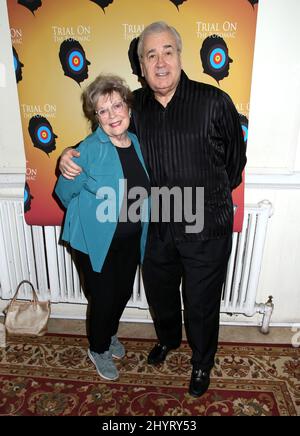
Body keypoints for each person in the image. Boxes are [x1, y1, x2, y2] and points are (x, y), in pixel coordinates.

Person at [58, 21, 246, 397]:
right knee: (160, 294)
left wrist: (205, 199)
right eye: (150, 55)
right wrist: (66, 156)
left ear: (180, 56)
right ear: (140, 67)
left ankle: (201, 363)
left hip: (204, 224)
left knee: (201, 302)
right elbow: (105, 139)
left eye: (167, 52)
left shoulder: (214, 101)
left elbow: (234, 164)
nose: (160, 62)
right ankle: (167, 340)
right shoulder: (133, 107)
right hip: (156, 223)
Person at [55, 74, 150, 381]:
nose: (112, 115)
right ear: (95, 116)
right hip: (95, 240)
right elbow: (64, 193)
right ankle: (97, 348)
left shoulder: (135, 142)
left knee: (122, 293)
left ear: (128, 108)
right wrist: (93, 215)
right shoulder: (88, 149)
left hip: (129, 237)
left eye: (117, 105)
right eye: (103, 110)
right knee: (104, 296)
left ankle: (108, 335)